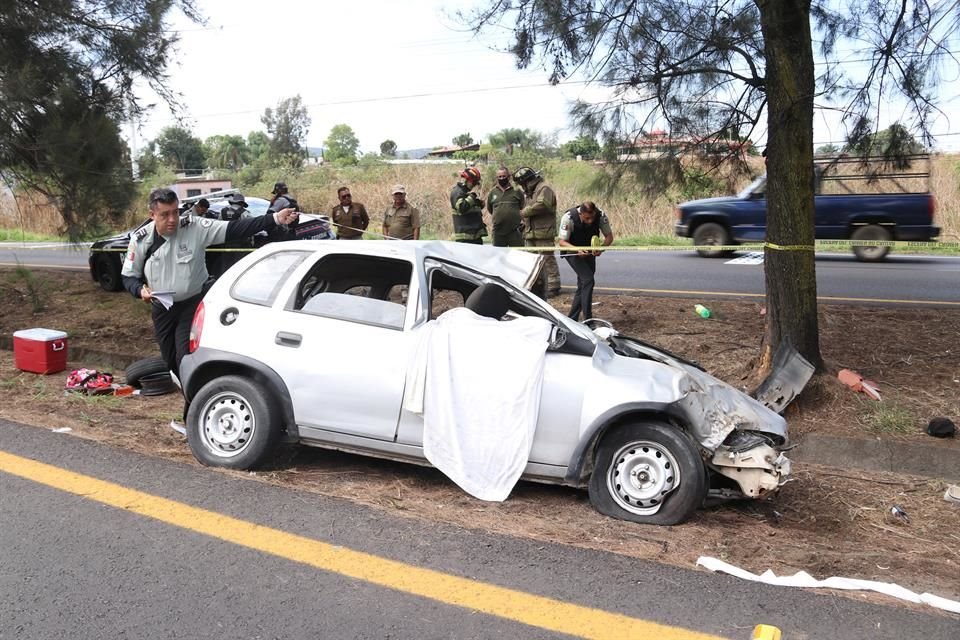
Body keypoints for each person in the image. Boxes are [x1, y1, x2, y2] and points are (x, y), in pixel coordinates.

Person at [121, 187, 297, 380]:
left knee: (184, 357)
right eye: (165, 215)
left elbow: (234, 229)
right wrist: (140, 291)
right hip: (162, 307)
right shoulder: (140, 239)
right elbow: (129, 276)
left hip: (191, 303)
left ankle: (195, 402)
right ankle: (188, 390)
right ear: (152, 215)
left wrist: (275, 219)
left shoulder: (195, 227)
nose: (172, 220)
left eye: (175, 212)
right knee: (170, 359)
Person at [557, 201, 614, 321]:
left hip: (590, 251)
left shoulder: (600, 216)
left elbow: (609, 236)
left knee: (583, 285)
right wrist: (577, 250)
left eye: (592, 217)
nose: (590, 221)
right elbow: (562, 242)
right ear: (581, 214)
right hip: (571, 250)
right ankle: (588, 319)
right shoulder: (568, 218)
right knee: (588, 280)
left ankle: (572, 319)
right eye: (587, 218)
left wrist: (601, 248)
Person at [513, 167, 560, 297]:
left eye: (522, 183)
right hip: (531, 232)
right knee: (533, 260)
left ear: (527, 180)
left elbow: (543, 205)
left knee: (547, 258)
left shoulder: (544, 189)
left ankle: (553, 286)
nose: (522, 187)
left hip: (544, 232)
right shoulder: (529, 192)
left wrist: (524, 212)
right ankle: (538, 285)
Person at [485, 166, 524, 247]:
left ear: (508, 177)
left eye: (504, 176)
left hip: (515, 231)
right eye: (499, 177)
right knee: (498, 256)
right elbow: (490, 209)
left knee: (518, 255)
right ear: (497, 178)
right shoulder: (492, 192)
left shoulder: (517, 191)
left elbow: (523, 206)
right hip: (498, 232)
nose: (502, 178)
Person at [449, 166, 487, 244]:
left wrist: (479, 204)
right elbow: (462, 207)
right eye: (474, 182)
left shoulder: (466, 193)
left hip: (475, 236)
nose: (475, 185)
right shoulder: (457, 192)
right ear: (467, 180)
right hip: (465, 238)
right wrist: (472, 197)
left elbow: (470, 208)